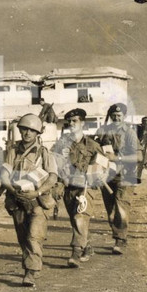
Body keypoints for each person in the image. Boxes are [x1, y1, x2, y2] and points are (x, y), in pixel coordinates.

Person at [0, 112, 58, 287]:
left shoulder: (44, 153)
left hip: (37, 202)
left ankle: (31, 272)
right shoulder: (12, 151)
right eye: (24, 129)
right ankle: (29, 266)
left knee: (34, 237)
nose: (27, 133)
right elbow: (4, 175)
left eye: (31, 130)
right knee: (23, 238)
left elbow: (53, 177)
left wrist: (38, 192)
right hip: (17, 201)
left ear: (37, 133)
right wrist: (11, 189)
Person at [52, 108, 106, 266]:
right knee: (75, 220)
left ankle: (75, 252)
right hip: (68, 188)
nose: (71, 124)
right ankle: (86, 246)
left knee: (79, 217)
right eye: (69, 121)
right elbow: (53, 163)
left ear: (83, 123)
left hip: (85, 188)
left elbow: (103, 165)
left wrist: (98, 175)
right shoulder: (62, 143)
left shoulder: (93, 145)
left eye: (74, 121)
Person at [94, 103, 140, 254]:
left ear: (124, 116)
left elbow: (138, 156)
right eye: (113, 115)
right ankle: (117, 234)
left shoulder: (130, 133)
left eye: (119, 116)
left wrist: (117, 157)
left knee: (122, 207)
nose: (116, 118)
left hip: (126, 175)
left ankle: (121, 239)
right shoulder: (103, 131)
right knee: (111, 211)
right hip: (107, 175)